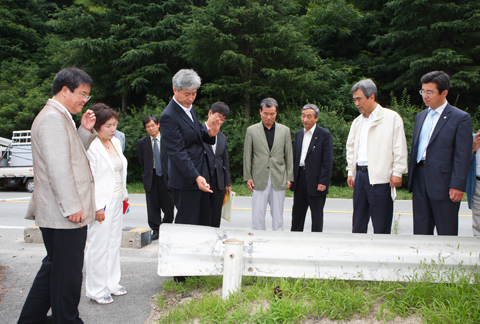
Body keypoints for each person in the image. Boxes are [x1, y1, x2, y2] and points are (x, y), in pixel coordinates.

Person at [19, 67, 97, 324]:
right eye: (82, 94)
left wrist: (84, 131)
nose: (84, 100)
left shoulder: (58, 116)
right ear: (65, 90)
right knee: (68, 276)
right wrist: (72, 206)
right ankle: (68, 320)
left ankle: (30, 320)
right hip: (64, 214)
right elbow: (58, 167)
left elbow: (69, 157)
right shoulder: (53, 118)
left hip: (59, 213)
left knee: (54, 268)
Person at [408, 71, 472, 236]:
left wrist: (458, 185)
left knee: (446, 229)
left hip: (444, 182)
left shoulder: (460, 118)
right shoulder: (420, 116)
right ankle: (421, 259)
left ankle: (446, 260)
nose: (425, 96)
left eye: (430, 92)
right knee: (421, 228)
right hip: (420, 177)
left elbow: (462, 154)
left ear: (444, 93)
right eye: (423, 91)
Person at [346, 79, 408, 234]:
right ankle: (358, 254)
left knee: (381, 225)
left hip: (382, 179)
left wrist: (397, 172)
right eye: (354, 100)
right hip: (360, 177)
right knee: (358, 223)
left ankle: (382, 256)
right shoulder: (357, 122)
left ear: (371, 97)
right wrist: (351, 172)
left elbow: (399, 147)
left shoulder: (391, 118)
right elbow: (351, 148)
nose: (356, 103)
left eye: (359, 99)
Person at [160, 69, 220, 227]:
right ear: (175, 90)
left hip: (201, 176)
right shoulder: (169, 116)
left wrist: (210, 132)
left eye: (194, 93)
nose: (191, 98)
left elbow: (198, 134)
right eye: (187, 94)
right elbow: (178, 153)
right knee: (188, 224)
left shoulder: (188, 109)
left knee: (203, 221)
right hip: (186, 180)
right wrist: (195, 176)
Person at [85, 103, 129, 304]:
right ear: (97, 126)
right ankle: (96, 289)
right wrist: (96, 206)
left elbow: (120, 171)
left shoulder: (116, 142)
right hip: (101, 202)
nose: (113, 129)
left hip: (118, 198)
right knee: (98, 246)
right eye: (109, 125)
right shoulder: (91, 146)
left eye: (115, 125)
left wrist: (125, 195)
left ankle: (111, 283)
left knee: (113, 243)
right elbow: (89, 178)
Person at [243, 98, 293, 231]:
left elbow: (289, 155)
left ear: (276, 113)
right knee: (257, 214)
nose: (269, 117)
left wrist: (289, 177)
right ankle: (259, 240)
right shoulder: (251, 131)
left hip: (279, 176)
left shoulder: (285, 131)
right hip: (258, 176)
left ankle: (278, 240)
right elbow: (247, 155)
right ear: (260, 112)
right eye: (265, 113)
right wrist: (248, 176)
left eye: (272, 114)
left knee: (278, 214)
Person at [290, 104, 333, 232]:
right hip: (300, 178)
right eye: (303, 116)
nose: (305, 120)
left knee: (316, 215)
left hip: (316, 180)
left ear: (316, 118)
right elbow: (295, 158)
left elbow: (327, 160)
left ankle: (316, 241)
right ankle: (295, 240)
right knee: (297, 213)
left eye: (309, 116)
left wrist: (323, 181)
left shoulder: (324, 135)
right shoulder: (299, 134)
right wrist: (291, 179)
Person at [137, 115, 174, 240]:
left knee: (169, 206)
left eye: (153, 125)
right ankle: (156, 230)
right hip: (151, 177)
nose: (151, 128)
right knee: (153, 207)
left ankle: (166, 226)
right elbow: (142, 161)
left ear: (158, 125)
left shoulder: (168, 140)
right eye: (148, 127)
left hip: (166, 177)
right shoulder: (142, 143)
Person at [203, 102, 232, 228]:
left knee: (216, 215)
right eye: (218, 116)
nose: (220, 121)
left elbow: (224, 160)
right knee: (203, 214)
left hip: (219, 181)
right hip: (203, 179)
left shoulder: (222, 137)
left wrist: (227, 182)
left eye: (223, 119)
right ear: (210, 113)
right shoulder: (198, 131)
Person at [466, 129, 480, 236]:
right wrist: (472, 148)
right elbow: (462, 162)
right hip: (477, 184)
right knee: (478, 222)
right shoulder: (473, 139)